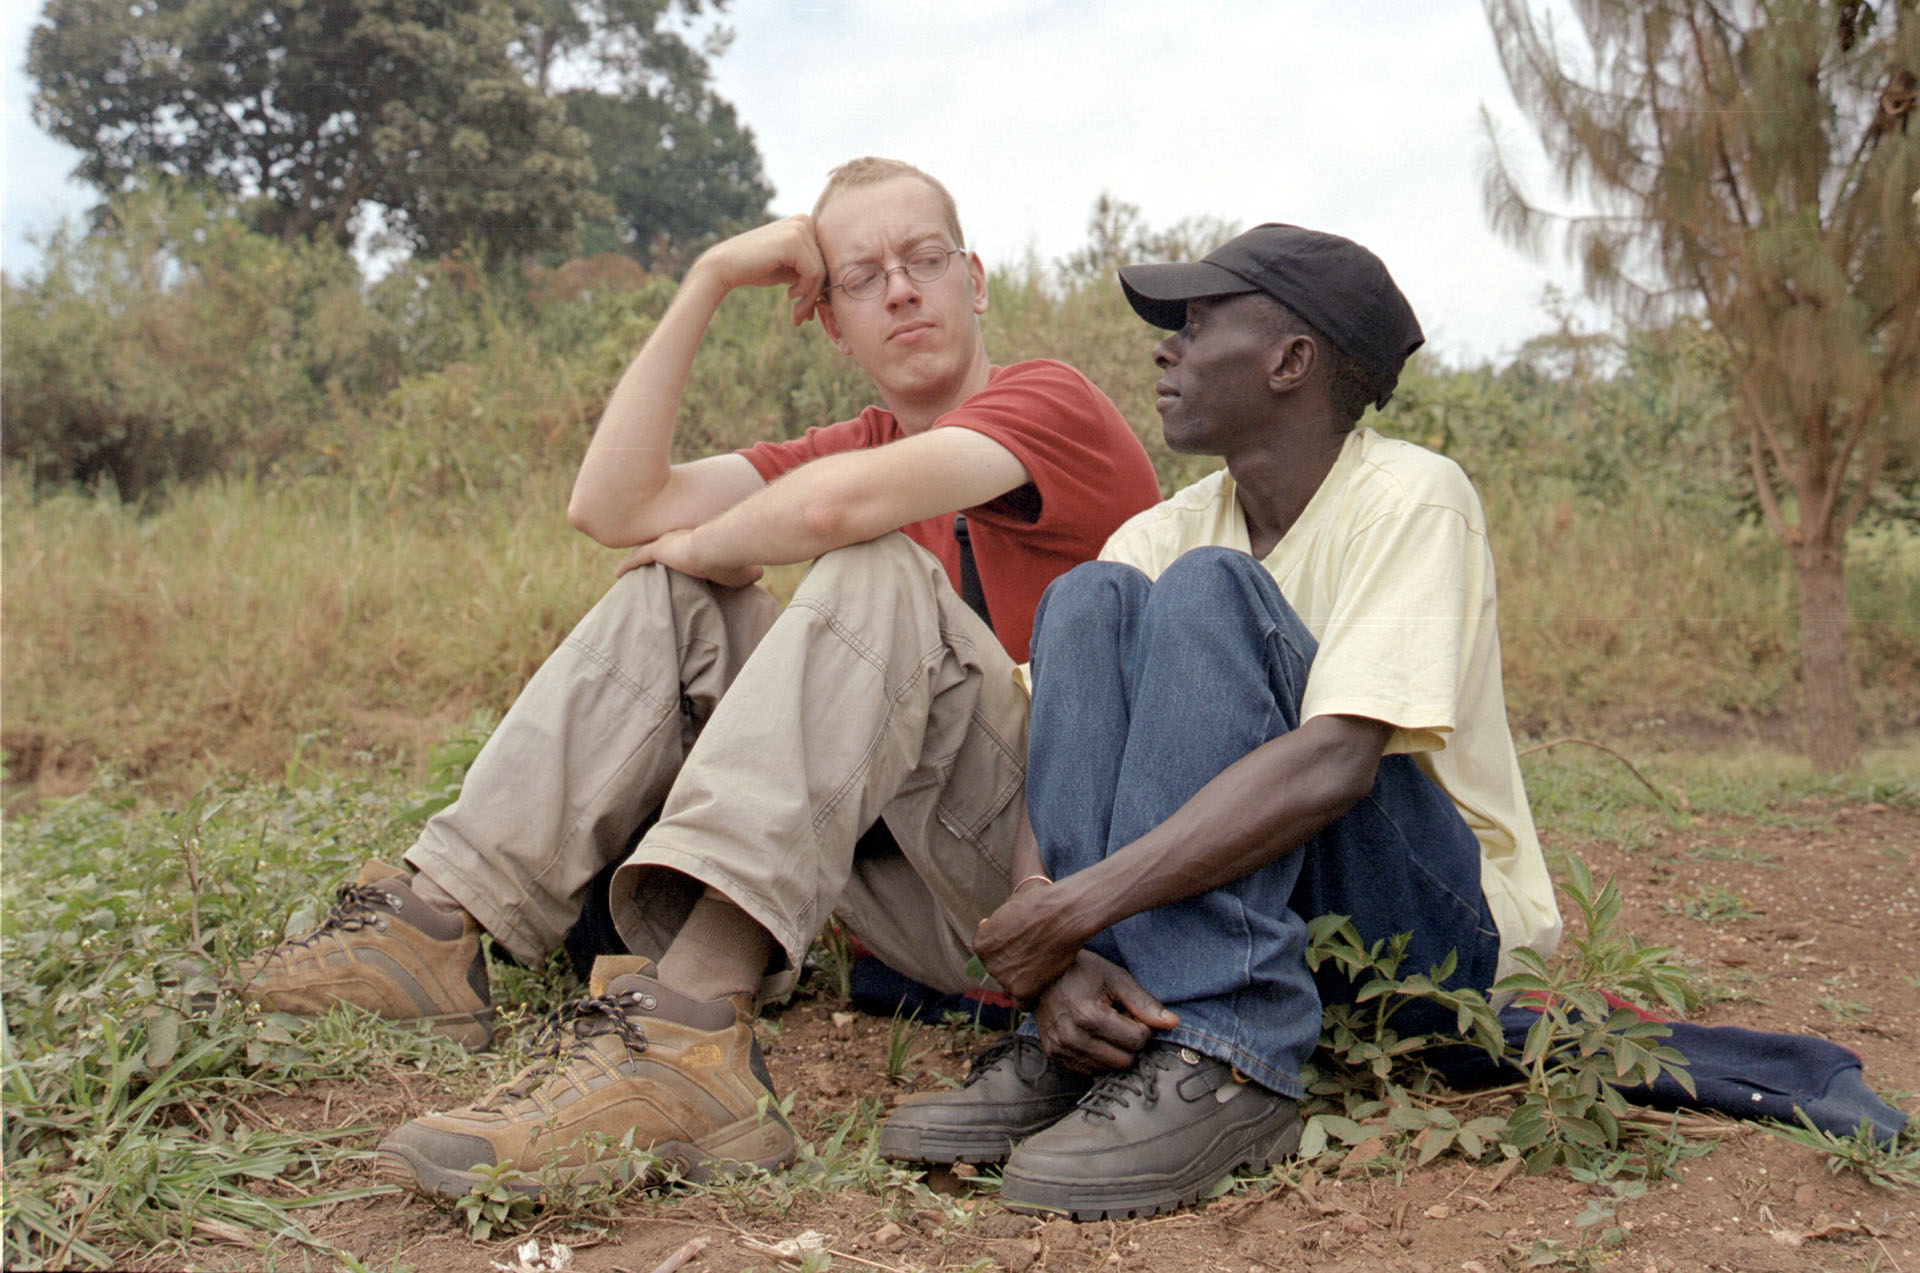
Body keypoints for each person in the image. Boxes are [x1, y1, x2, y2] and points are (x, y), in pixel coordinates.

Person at [231, 157, 1164, 1201]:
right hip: (920, 896)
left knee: (866, 566)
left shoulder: (1052, 402)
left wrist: (708, 539)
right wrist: (709, 279)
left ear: (975, 279)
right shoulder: (848, 441)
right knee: (682, 597)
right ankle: (434, 925)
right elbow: (613, 506)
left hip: (1069, 880)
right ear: (830, 322)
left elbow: (825, 517)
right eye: (861, 277)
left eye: (925, 260)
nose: (901, 289)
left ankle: (689, 1033)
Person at [877, 224, 1564, 1220]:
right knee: (1089, 600)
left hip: (1427, 934)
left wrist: (1073, 912)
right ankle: (1084, 1048)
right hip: (1235, 914)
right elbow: (1065, 752)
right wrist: (1052, 945)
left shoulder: (1411, 496)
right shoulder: (1161, 529)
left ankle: (1230, 1056)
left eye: (1196, 326)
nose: (1166, 349)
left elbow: (1336, 764)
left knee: (1208, 592)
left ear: (1292, 361)